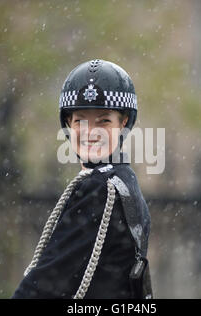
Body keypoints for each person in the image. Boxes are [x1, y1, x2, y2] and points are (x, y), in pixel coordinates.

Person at [12, 59, 152, 299]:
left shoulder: (101, 189)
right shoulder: (123, 180)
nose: (91, 131)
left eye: (104, 120)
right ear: (68, 124)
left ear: (124, 122)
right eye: (80, 120)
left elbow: (43, 287)